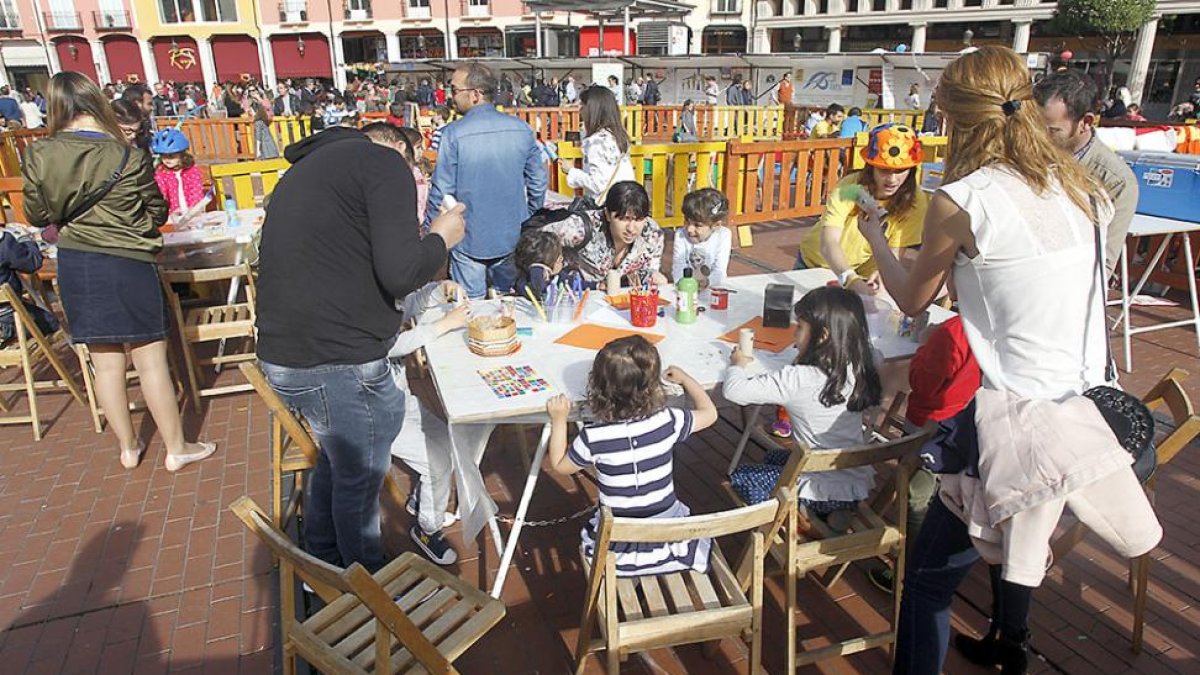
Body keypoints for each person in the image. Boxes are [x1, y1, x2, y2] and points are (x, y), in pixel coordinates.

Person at [853, 46, 1161, 675]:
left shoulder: (965, 198)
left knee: (927, 582)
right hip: (1088, 413)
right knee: (1005, 538)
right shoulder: (1082, 185)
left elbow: (913, 299)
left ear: (954, 120)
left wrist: (875, 237)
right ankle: (1009, 638)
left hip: (1017, 426)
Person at [255, 119, 466, 573]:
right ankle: (365, 582)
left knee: (337, 461)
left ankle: (324, 562)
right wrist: (441, 238)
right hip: (338, 360)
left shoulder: (310, 168)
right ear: (400, 150)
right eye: (414, 167)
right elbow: (400, 272)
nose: (413, 177)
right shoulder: (382, 163)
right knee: (359, 476)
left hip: (287, 355)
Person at [22, 72, 216, 472]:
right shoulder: (125, 154)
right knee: (150, 361)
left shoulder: (39, 153)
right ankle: (176, 447)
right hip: (129, 261)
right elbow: (157, 210)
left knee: (106, 364)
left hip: (78, 263)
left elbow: (38, 215)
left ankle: (128, 447)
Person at [545, 335, 718, 576]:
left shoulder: (594, 437)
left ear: (598, 388)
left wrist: (559, 419)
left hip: (617, 549)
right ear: (653, 386)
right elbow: (710, 413)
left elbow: (559, 465)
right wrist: (686, 378)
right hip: (669, 539)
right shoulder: (668, 421)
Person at [724, 287, 882, 525]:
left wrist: (737, 365)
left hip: (817, 484)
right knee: (774, 456)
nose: (794, 333)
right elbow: (875, 354)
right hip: (852, 479)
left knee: (740, 476)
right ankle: (834, 512)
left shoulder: (800, 378)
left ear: (823, 336)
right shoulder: (865, 362)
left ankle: (802, 518)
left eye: (799, 327)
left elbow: (734, 391)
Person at [868, 279, 981, 594]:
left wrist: (924, 347)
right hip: (973, 425)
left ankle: (908, 572)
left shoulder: (952, 333)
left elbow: (922, 383)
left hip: (934, 426)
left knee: (916, 496)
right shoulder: (1002, 327)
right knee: (944, 494)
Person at [424, 63, 548, 299]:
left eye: (454, 90)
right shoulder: (521, 129)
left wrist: (433, 232)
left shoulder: (453, 133)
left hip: (467, 235)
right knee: (509, 305)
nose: (451, 97)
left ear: (475, 94)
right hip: (512, 232)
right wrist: (529, 217)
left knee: (471, 308)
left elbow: (441, 190)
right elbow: (538, 180)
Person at [386, 280, 470, 564]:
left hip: (400, 399)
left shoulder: (379, 283)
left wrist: (438, 289)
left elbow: (408, 303)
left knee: (447, 439)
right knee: (437, 462)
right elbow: (387, 346)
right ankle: (426, 530)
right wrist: (443, 325)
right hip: (372, 415)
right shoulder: (350, 306)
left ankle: (421, 501)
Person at [796, 124, 929, 295]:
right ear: (871, 166)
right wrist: (850, 280)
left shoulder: (916, 201)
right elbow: (829, 242)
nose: (892, 179)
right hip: (814, 265)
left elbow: (894, 251)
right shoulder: (850, 188)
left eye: (900, 171)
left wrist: (881, 272)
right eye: (884, 170)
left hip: (860, 273)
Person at [1034, 70, 1138, 279]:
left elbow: (1103, 265)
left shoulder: (1116, 181)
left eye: (1052, 131)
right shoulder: (1027, 152)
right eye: (1035, 128)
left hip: (1064, 282)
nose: (1040, 139)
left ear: (1086, 122)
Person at [539, 181, 666, 289]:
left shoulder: (652, 234)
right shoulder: (580, 227)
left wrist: (652, 277)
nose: (631, 229)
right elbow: (538, 240)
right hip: (570, 294)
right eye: (623, 219)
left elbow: (648, 272)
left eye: (638, 219)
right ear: (607, 214)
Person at [557, 86, 635, 204]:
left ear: (593, 110)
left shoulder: (597, 143)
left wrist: (571, 171)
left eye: (583, 106)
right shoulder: (617, 135)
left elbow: (597, 184)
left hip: (606, 205)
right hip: (625, 201)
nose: (580, 110)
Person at [0, 224, 59, 345]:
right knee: (51, 322)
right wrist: (25, 239)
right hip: (8, 322)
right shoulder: (3, 243)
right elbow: (31, 263)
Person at [672, 188, 731, 291]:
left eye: (697, 225)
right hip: (685, 289)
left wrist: (707, 282)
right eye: (687, 221)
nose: (689, 229)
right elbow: (678, 268)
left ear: (716, 225)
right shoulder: (681, 234)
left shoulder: (723, 235)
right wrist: (685, 285)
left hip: (711, 289)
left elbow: (720, 271)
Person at [150, 128, 205, 219]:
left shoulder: (191, 171)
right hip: (172, 216)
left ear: (182, 155)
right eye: (163, 156)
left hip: (193, 213)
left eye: (171, 156)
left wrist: (194, 210)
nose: (167, 159)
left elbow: (196, 191)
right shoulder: (161, 173)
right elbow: (161, 194)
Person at [513, 229, 565, 301]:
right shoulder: (528, 277)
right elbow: (538, 292)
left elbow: (572, 283)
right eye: (559, 255)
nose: (562, 259)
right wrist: (538, 267)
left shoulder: (558, 276)